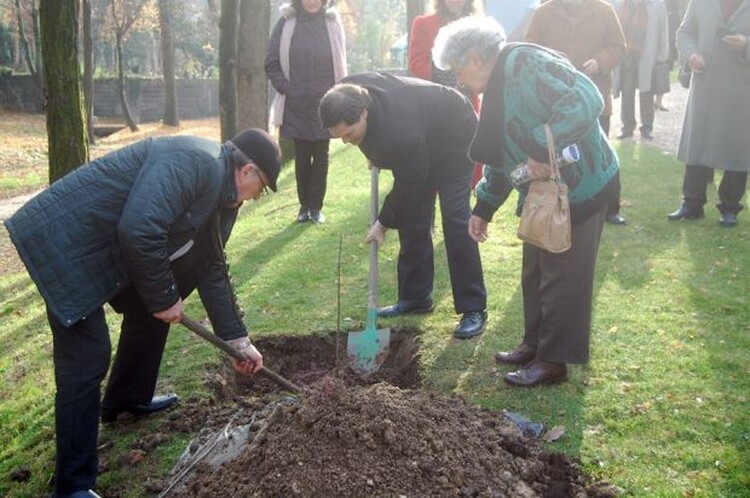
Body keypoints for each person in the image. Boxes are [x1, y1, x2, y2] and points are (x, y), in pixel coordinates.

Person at [4, 129, 281, 497]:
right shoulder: (196, 161)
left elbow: (211, 265)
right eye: (259, 188)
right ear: (247, 170)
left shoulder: (219, 195)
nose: (254, 198)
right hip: (67, 240)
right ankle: (73, 486)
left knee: (157, 307)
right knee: (86, 358)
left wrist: (237, 339)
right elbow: (139, 228)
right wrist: (163, 295)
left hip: (104, 250)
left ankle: (126, 398)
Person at [432, 16, 621, 386]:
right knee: (535, 269)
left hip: (582, 186)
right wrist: (483, 207)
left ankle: (553, 361)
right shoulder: (496, 83)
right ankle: (534, 344)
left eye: (457, 69)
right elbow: (502, 155)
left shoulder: (527, 63)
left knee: (562, 274)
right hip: (545, 192)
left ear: (473, 58)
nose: (458, 79)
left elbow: (587, 99)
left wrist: (540, 142)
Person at [318, 73, 488, 339]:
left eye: (349, 134)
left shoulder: (397, 134)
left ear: (364, 113)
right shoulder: (347, 90)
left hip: (455, 131)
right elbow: (410, 184)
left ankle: (473, 307)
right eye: (339, 137)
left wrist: (382, 223)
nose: (346, 141)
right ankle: (415, 296)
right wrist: (371, 150)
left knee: (455, 216)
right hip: (420, 130)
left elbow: (409, 181)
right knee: (413, 213)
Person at [526, 0, 627, 226]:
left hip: (594, 99)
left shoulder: (604, 10)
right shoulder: (543, 13)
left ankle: (610, 208)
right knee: (560, 158)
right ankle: (563, 205)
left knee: (600, 157)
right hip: (554, 105)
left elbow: (618, 46)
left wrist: (599, 62)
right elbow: (530, 49)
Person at [666, 0, 749, 227]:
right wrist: (690, 54)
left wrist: (746, 45)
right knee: (698, 143)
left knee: (737, 147)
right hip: (705, 84)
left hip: (741, 88)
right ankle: (692, 203)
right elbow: (685, 32)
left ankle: (730, 207)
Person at [265, 0, 347, 225]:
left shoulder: (332, 23)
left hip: (325, 102)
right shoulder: (286, 23)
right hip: (296, 103)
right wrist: (286, 88)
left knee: (322, 154)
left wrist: (338, 95)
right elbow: (271, 62)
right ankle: (303, 207)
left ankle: (316, 207)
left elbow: (340, 63)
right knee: (302, 156)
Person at [409, 0, 484, 187]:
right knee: (431, 167)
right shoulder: (423, 23)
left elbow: (485, 62)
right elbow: (417, 62)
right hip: (435, 103)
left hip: (469, 101)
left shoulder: (478, 25)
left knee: (465, 163)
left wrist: (468, 79)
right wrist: (448, 79)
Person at [613, 0, 670, 140]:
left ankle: (647, 127)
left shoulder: (657, 4)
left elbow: (663, 30)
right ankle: (627, 126)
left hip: (648, 54)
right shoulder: (621, 3)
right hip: (627, 54)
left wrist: (662, 54)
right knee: (627, 91)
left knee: (647, 92)